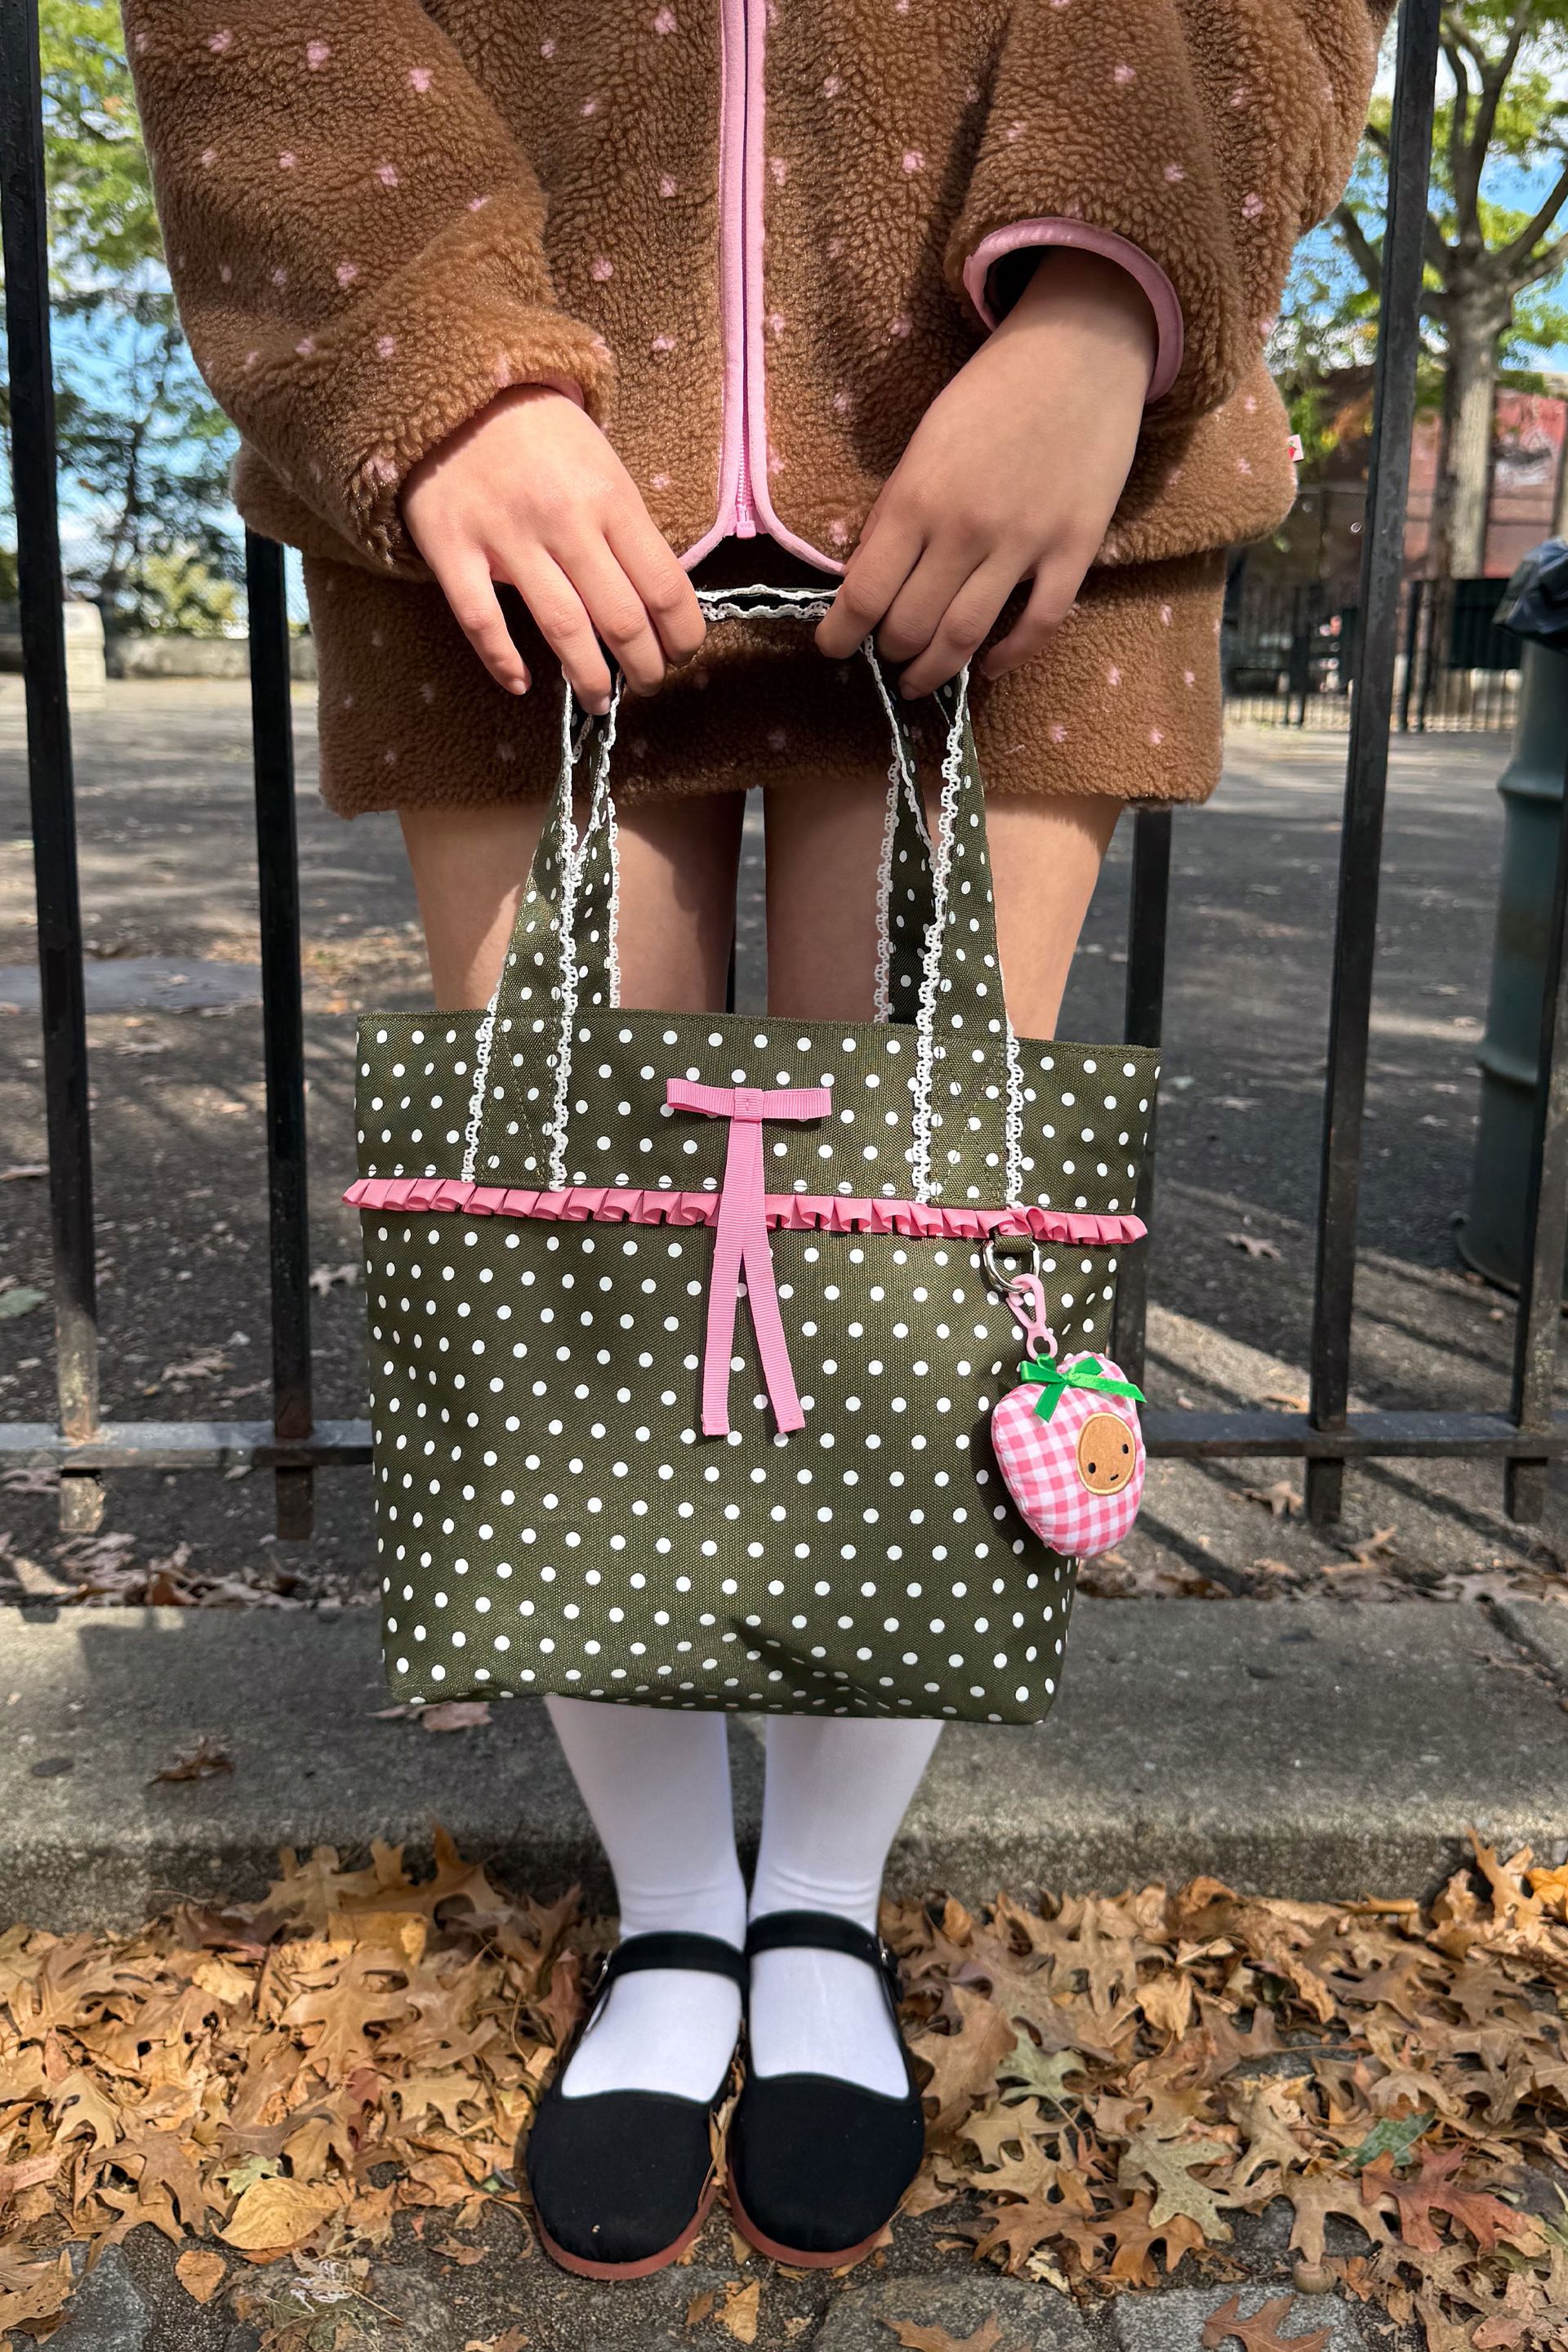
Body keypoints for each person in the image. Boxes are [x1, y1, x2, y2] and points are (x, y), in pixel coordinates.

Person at [127, 0, 1387, 2277]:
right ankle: (680, 1917)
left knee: (912, 1267)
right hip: (505, 482)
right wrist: (416, 340)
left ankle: (815, 1905)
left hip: (1017, 451)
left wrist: (1114, 293)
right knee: (586, 1262)